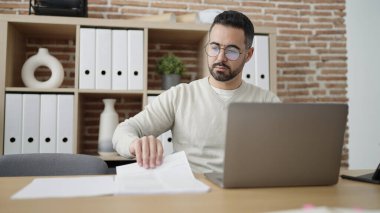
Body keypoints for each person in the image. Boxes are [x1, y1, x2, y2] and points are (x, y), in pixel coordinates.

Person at [112, 10, 280, 173]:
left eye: (231, 51)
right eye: (214, 48)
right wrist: (135, 144)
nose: (220, 58)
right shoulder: (180, 96)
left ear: (248, 55)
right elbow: (122, 131)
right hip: (193, 193)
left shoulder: (267, 101)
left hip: (247, 193)